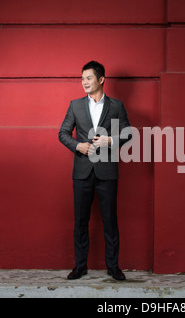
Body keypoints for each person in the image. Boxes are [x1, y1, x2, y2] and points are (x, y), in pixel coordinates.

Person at [59, 60, 132, 281]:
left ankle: (113, 266)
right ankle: (80, 266)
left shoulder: (117, 106)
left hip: (107, 172)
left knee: (110, 220)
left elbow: (129, 134)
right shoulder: (75, 105)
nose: (84, 82)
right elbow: (63, 133)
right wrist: (77, 145)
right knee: (80, 221)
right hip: (82, 172)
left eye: (88, 78)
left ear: (101, 79)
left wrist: (110, 140)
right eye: (82, 79)